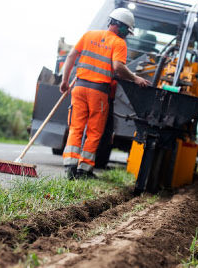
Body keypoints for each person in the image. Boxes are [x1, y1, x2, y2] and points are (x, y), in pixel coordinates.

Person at [59, 8, 150, 179]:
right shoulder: (119, 43)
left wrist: (64, 81)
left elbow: (71, 56)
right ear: (120, 27)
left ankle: (70, 167)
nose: (127, 35)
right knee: (94, 131)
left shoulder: (89, 35)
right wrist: (135, 78)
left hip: (79, 87)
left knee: (76, 127)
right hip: (98, 92)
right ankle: (83, 170)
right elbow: (118, 67)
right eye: (126, 30)